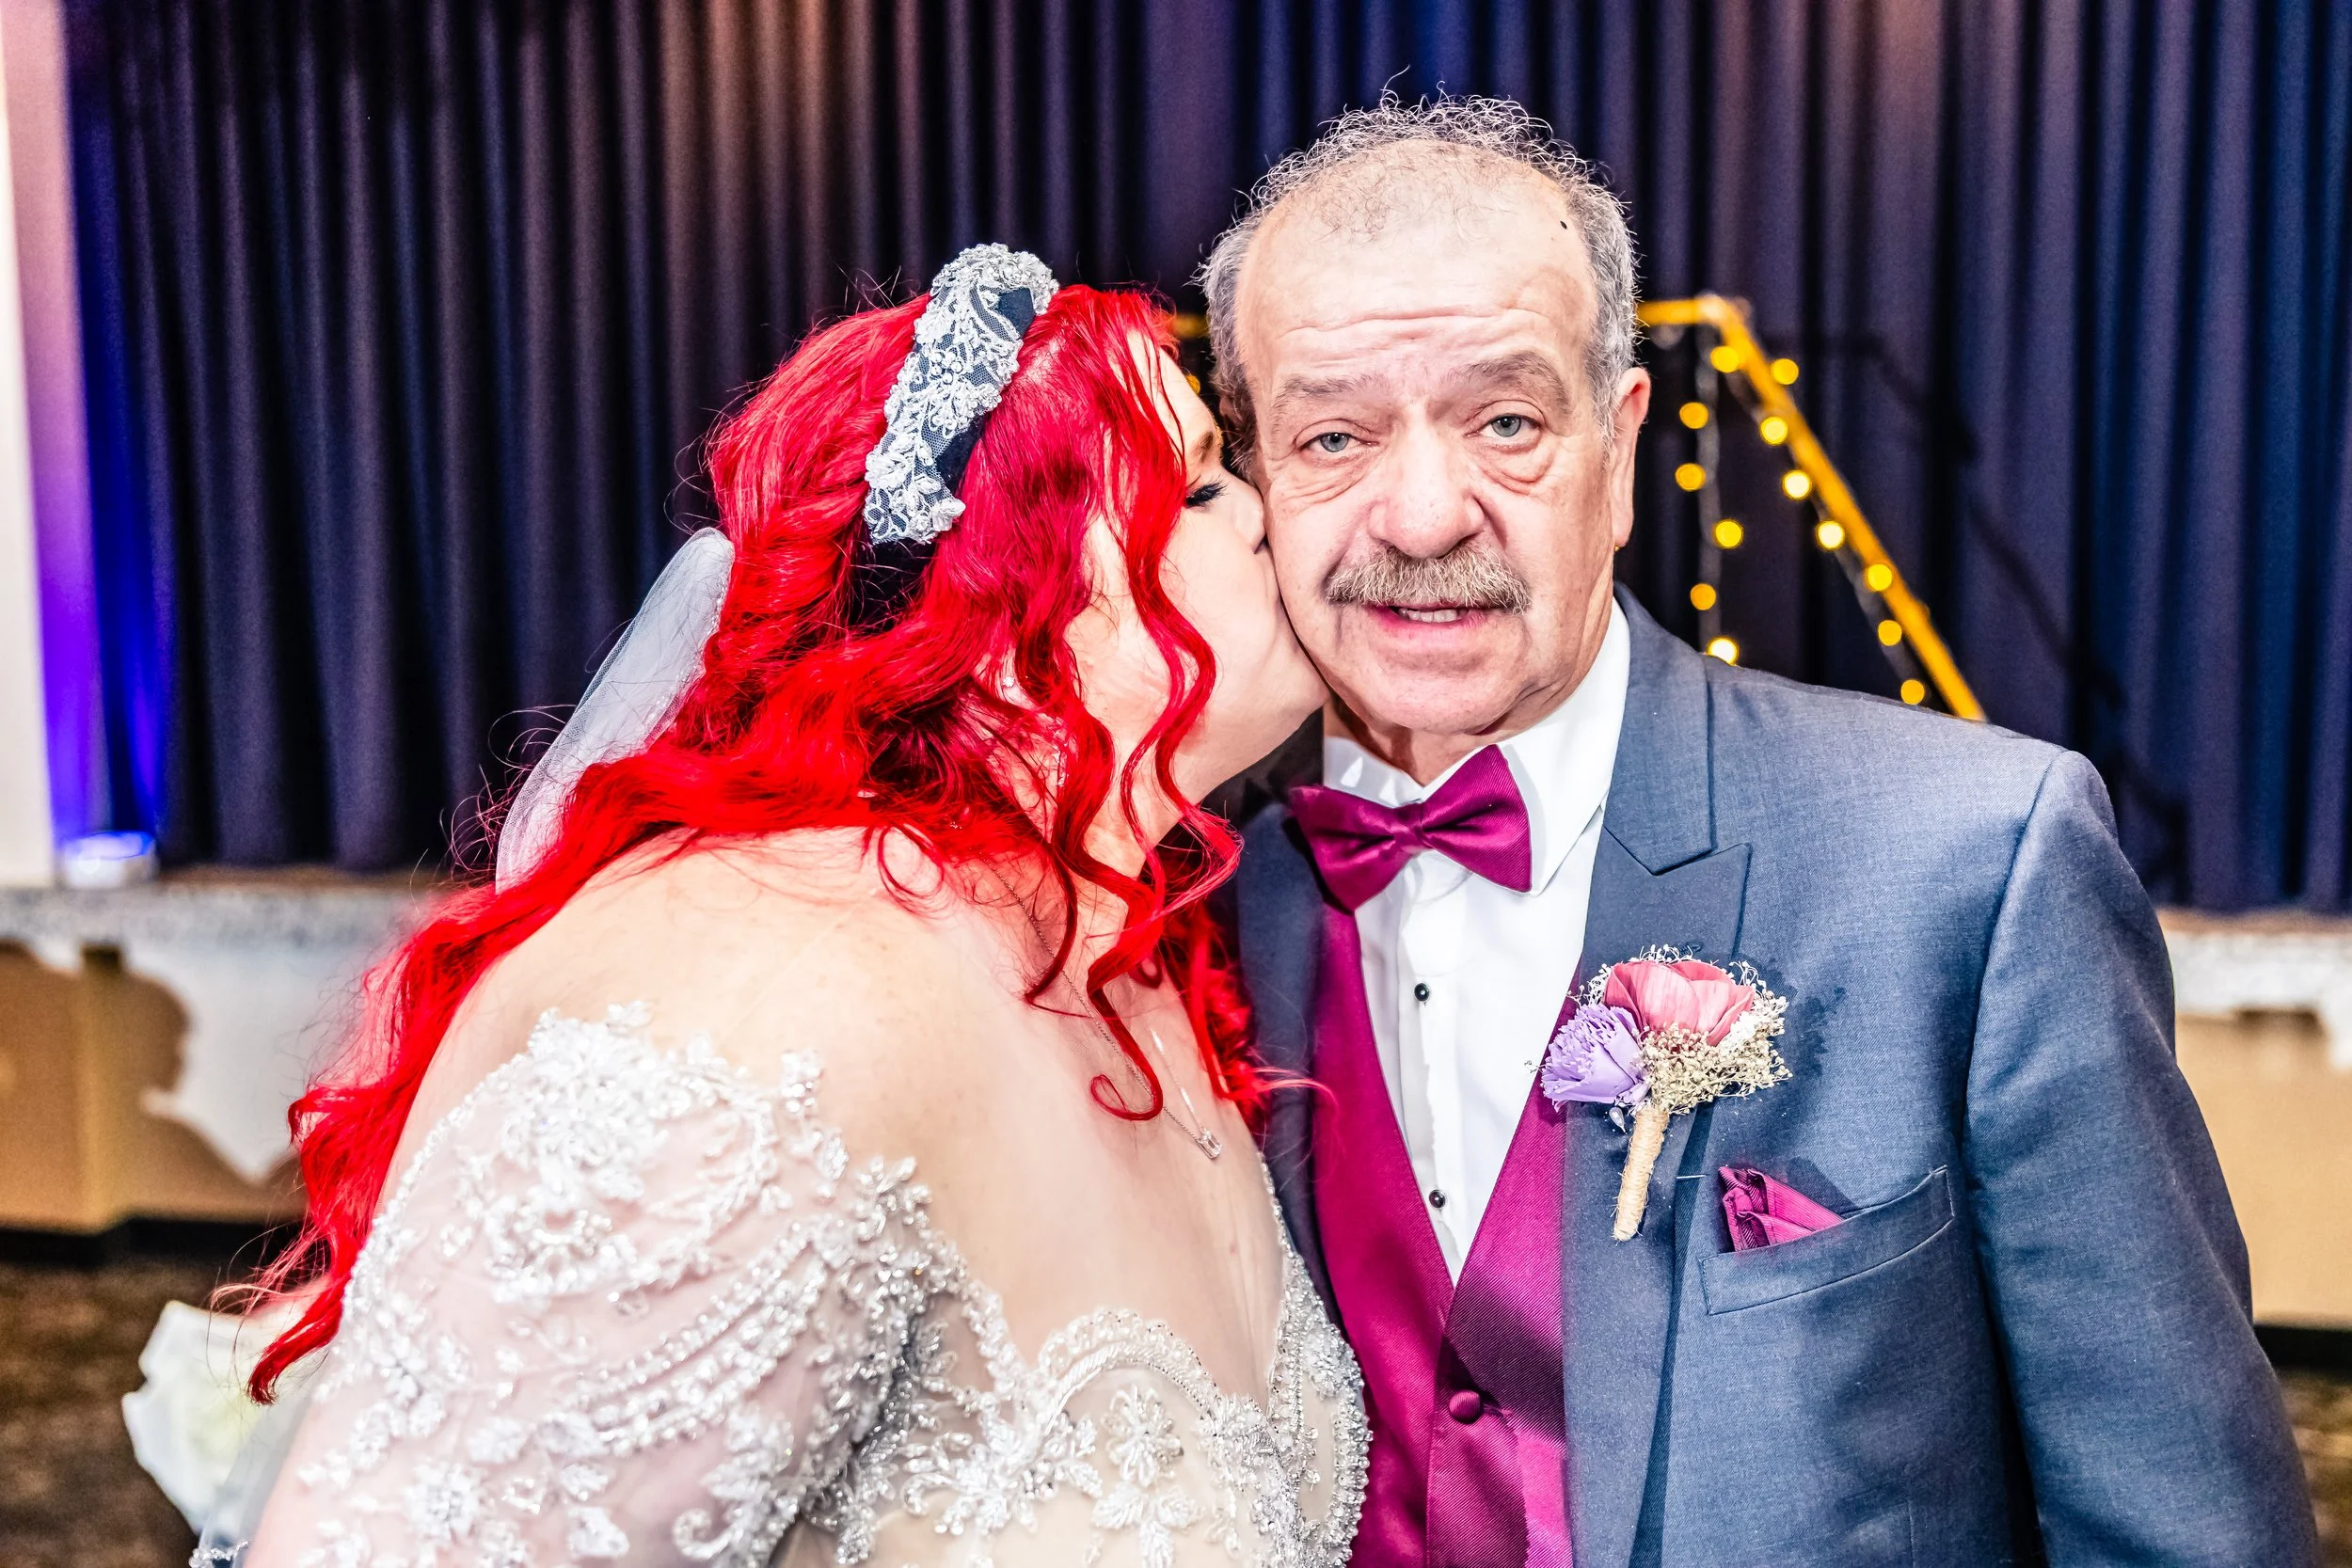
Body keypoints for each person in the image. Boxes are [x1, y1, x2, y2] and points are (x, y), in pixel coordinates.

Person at [1204, 98, 2317, 1567]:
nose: (1420, 514)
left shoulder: (1971, 859)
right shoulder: (1216, 900)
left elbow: (2186, 1530)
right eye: (1334, 434)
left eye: (1508, 421)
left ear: (1618, 452)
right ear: (1257, 480)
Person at [227, 247, 1367, 1566]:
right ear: (1014, 607)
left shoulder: (1131, 956)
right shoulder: (765, 1009)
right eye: (1207, 482)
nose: (1277, 510)